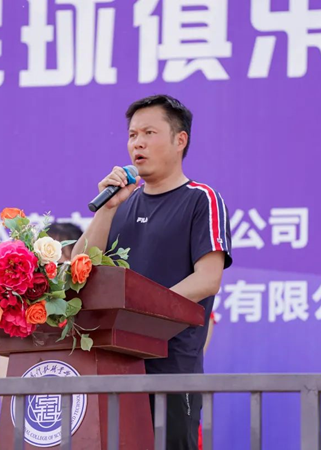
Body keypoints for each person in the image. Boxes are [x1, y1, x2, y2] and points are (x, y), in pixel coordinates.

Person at [72, 94, 233, 449]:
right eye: (132, 135)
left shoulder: (200, 199)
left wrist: (140, 312)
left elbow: (208, 279)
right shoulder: (119, 204)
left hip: (171, 367)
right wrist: (107, 209)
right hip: (113, 365)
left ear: (180, 140)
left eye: (149, 133)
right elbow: (79, 268)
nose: (137, 143)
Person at [0, 221, 83, 378]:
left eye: (63, 264)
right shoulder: (19, 309)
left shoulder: (88, 311)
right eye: (48, 263)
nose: (55, 273)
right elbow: (5, 380)